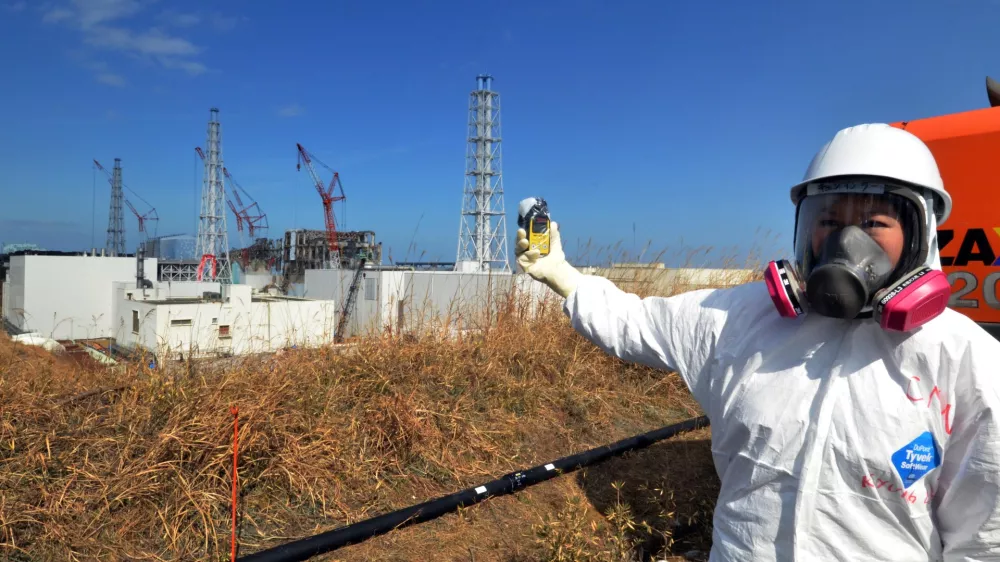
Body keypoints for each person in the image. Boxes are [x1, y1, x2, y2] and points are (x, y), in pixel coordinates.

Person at [515, 123, 1000, 561]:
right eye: (829, 222)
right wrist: (565, 277)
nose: (847, 241)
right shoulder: (741, 319)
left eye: (873, 223)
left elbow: (983, 539)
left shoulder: (966, 360)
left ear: (920, 234)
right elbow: (634, 322)